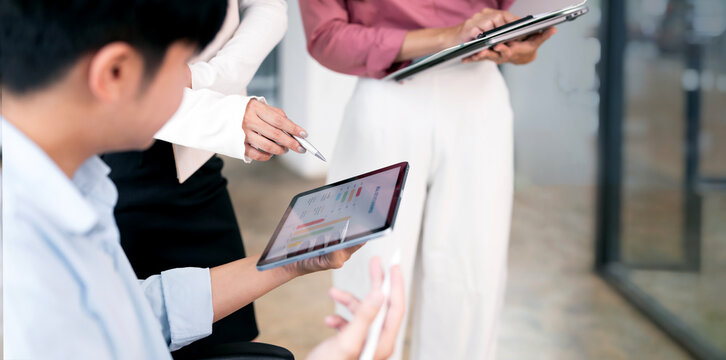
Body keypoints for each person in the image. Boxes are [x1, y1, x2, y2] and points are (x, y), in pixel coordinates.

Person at [0, 1, 404, 359]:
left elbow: (137, 311)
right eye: (184, 70)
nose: (192, 91)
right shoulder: (30, 256)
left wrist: (291, 262)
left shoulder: (77, 185)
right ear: (115, 72)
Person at [299, 1, 556, 359]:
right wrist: (450, 35)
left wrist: (522, 40)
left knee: (472, 273)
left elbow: (517, 12)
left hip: (479, 96)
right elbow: (326, 37)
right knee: (371, 271)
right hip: (387, 93)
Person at [100, 1, 307, 355]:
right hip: (114, 163)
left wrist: (204, 80)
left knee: (235, 342)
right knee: (128, 339)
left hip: (195, 165)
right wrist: (221, 117)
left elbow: (269, 9)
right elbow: (111, 82)